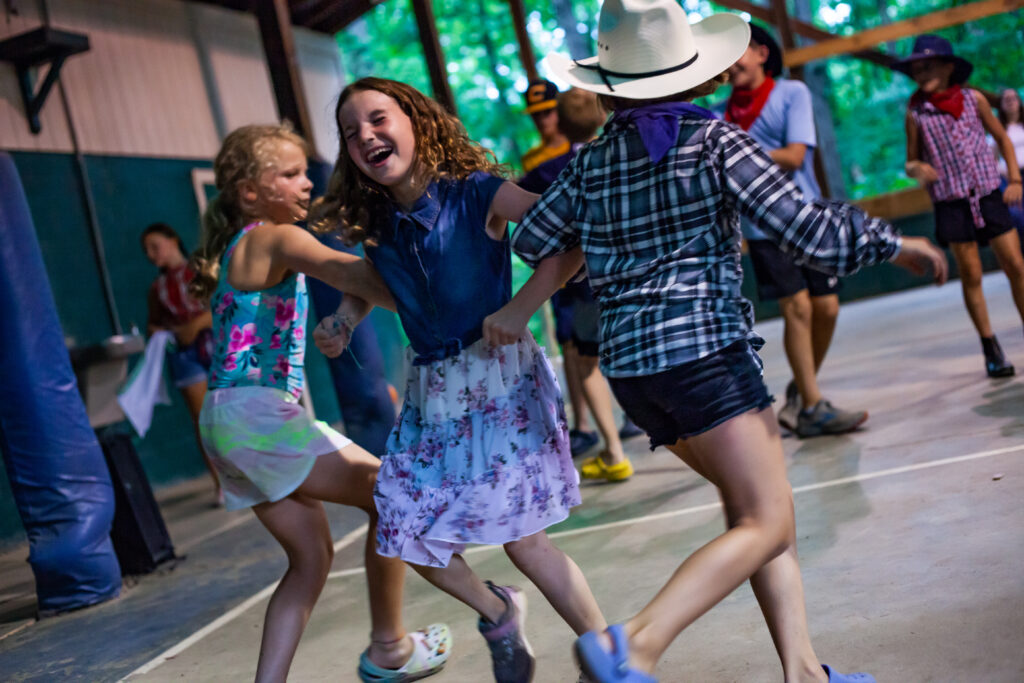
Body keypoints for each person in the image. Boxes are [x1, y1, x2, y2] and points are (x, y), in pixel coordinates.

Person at [486, 2, 948, 681]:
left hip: (635, 375)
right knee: (765, 519)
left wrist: (613, 229)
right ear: (695, 75)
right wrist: (895, 243)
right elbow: (807, 230)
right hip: (706, 356)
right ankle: (633, 643)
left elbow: (532, 239)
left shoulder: (587, 163)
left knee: (759, 509)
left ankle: (804, 672)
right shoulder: (716, 142)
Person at [311, 77, 606, 682]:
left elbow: (572, 238)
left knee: (526, 542)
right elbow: (374, 285)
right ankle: (498, 611)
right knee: (401, 526)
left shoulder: (479, 194)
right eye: (350, 132)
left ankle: (610, 656)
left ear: (417, 120)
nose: (365, 135)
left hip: (500, 382)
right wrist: (343, 318)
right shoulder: (382, 221)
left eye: (377, 118)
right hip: (432, 395)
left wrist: (523, 306)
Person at [189, 123, 451, 683]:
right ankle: (390, 647)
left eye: (305, 170)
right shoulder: (274, 237)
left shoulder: (244, 245)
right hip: (256, 416)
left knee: (310, 561)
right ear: (250, 192)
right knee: (391, 494)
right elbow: (349, 271)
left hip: (226, 421)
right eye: (288, 174)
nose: (306, 182)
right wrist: (438, 298)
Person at [723, 25, 866, 438]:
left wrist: (737, 156)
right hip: (762, 226)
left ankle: (801, 392)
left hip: (808, 219)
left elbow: (794, 155)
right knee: (798, 308)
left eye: (740, 51)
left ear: (763, 53)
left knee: (828, 309)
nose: (732, 63)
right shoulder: (721, 112)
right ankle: (813, 405)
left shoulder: (791, 94)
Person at [520, 87, 635, 481]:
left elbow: (535, 231)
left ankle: (615, 451)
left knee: (588, 365)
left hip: (588, 281)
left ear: (561, 123)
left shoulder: (557, 170)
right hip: (637, 276)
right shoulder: (629, 152)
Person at [895, 35, 1024, 378]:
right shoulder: (916, 112)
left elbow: (1002, 138)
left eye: (929, 66)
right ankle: (990, 346)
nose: (922, 74)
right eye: (917, 69)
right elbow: (910, 161)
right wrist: (916, 169)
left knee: (1015, 264)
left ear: (949, 67)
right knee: (971, 274)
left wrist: (1014, 180)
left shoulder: (973, 99)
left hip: (987, 193)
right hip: (951, 201)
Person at [141, 222, 221, 502]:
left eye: (155, 246)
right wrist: (160, 332)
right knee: (204, 421)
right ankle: (222, 484)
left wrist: (198, 323)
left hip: (218, 345)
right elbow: (154, 324)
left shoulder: (201, 269)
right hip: (184, 357)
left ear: (173, 240)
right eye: (146, 252)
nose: (151, 255)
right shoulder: (157, 288)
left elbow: (224, 304)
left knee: (236, 408)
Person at [521, 79, 571, 173]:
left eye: (547, 111)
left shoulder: (581, 144)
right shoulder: (530, 160)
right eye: (536, 114)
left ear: (559, 109)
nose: (542, 119)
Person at [994, 88, 1024, 230]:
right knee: (1018, 216)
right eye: (1007, 99)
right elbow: (992, 158)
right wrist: (1005, 171)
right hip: (1012, 177)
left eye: (1014, 98)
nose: (1011, 101)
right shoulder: (998, 130)